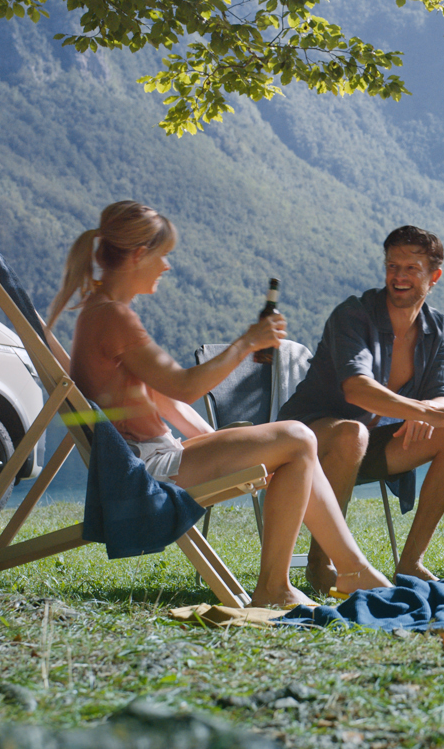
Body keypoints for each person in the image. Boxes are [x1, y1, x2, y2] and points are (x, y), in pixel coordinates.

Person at [46, 201, 392, 608]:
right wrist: (247, 343)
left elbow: (161, 398)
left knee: (295, 449)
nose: (167, 267)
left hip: (157, 456)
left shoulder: (100, 314)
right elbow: (184, 386)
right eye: (164, 256)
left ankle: (335, 574)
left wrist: (222, 441)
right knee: (298, 436)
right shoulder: (113, 318)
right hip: (149, 471)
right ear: (139, 255)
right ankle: (319, 578)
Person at [280, 225, 444, 593]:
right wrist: (422, 412)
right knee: (350, 433)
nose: (399, 276)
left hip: (364, 445)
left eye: (411, 268)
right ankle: (322, 565)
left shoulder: (435, 328)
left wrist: (431, 408)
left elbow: (443, 391)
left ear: (434, 276)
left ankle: (411, 564)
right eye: (392, 266)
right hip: (309, 440)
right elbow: (357, 389)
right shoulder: (353, 314)